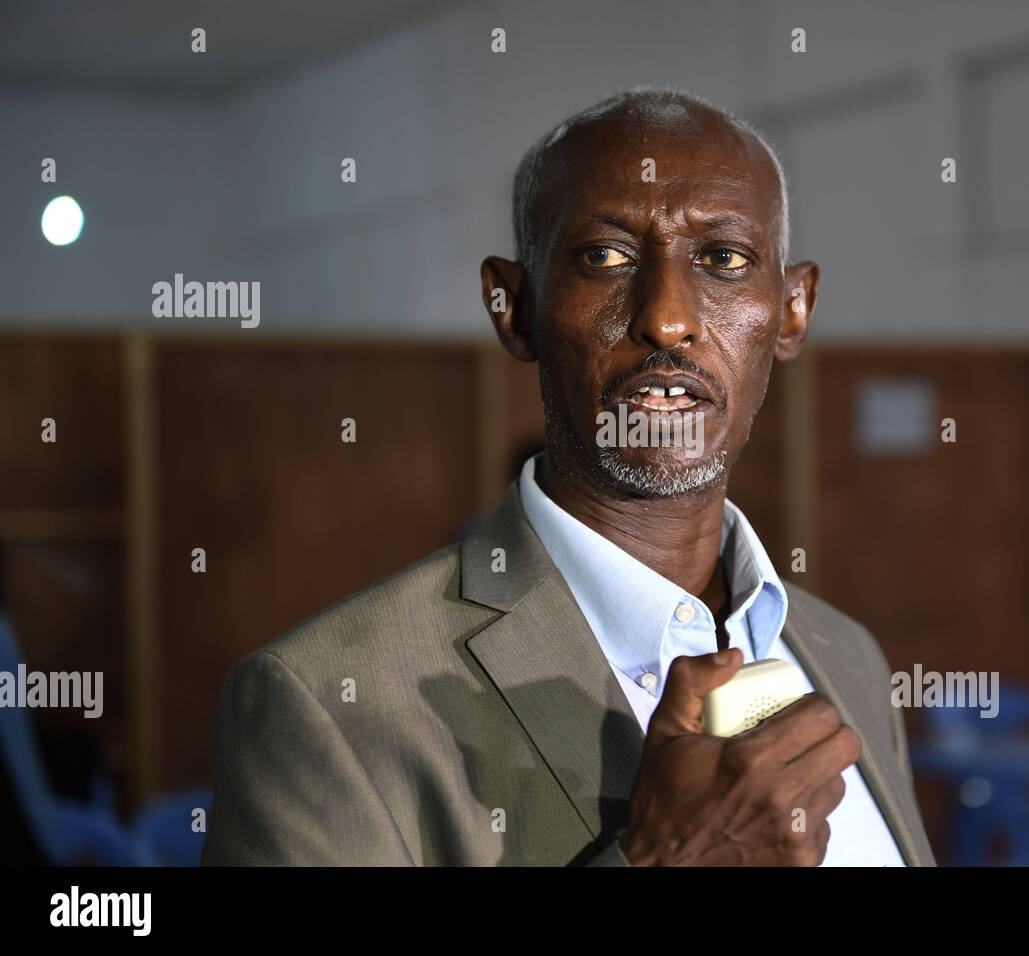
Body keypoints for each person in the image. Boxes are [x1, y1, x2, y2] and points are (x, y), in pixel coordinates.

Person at [201, 86, 935, 866]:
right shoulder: (329, 704)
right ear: (513, 307)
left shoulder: (845, 655)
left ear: (792, 309)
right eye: (606, 257)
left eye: (723, 259)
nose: (668, 317)